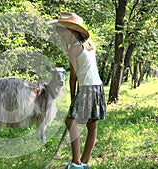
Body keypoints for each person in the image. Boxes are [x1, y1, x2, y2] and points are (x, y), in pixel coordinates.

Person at [49, 12, 106, 169]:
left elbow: (73, 77)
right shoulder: (90, 44)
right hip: (98, 87)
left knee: (70, 121)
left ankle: (76, 163)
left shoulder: (74, 49)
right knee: (92, 125)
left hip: (87, 87)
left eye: (63, 32)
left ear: (73, 31)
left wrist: (73, 97)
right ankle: (85, 162)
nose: (61, 36)